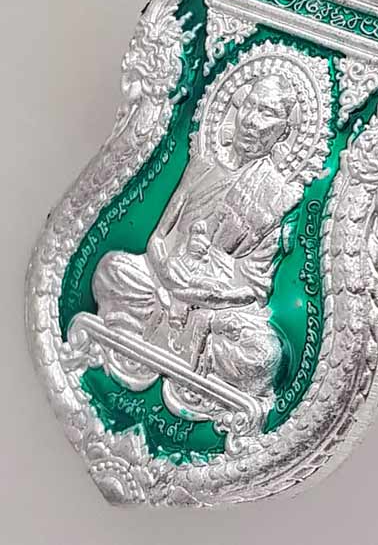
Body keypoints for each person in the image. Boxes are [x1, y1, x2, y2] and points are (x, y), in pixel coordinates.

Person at [92, 73, 302, 405]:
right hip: (165, 282)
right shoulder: (202, 164)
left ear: (283, 132)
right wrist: (166, 271)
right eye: (250, 106)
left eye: (268, 113)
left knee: (264, 355)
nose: (252, 121)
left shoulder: (277, 198)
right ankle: (165, 333)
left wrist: (200, 293)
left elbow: (253, 289)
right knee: (112, 270)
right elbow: (159, 236)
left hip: (219, 307)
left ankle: (165, 335)